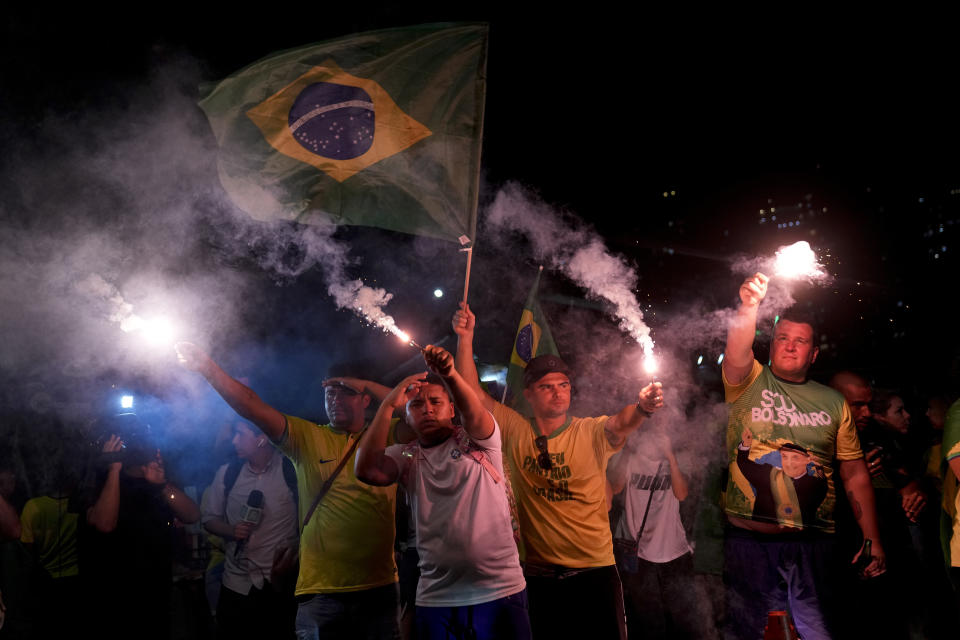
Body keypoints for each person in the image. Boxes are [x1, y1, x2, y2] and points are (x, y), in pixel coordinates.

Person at [452, 302, 663, 640]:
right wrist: (465, 338)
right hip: (539, 577)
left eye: (563, 385)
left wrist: (642, 408)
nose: (558, 392)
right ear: (529, 395)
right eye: (547, 386)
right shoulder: (516, 429)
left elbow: (621, 423)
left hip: (595, 573)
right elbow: (471, 395)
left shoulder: (590, 432)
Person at [176, 342, 402, 640]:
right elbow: (251, 405)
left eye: (346, 392)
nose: (335, 399)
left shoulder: (387, 434)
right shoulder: (307, 436)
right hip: (320, 591)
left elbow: (414, 411)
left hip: (378, 586)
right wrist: (208, 368)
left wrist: (367, 385)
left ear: (365, 399)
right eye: (329, 393)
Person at [721, 273, 884, 640]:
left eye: (800, 341)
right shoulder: (748, 381)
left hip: (814, 544)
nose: (790, 347)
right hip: (749, 542)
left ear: (813, 353)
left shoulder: (832, 401)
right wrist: (750, 306)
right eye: (782, 338)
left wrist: (872, 538)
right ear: (770, 346)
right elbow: (735, 352)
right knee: (745, 630)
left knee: (820, 630)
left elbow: (854, 473)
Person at [356, 345, 531, 640]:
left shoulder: (480, 441)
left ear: (452, 409)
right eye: (416, 405)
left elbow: (473, 409)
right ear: (407, 418)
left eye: (436, 401)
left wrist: (449, 374)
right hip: (437, 597)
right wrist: (387, 405)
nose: (427, 408)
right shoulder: (406, 457)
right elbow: (366, 470)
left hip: (500, 589)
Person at [82, 438, 201, 640]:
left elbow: (192, 515)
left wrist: (162, 486)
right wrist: (113, 470)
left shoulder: (158, 484)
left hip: (156, 591)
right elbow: (104, 524)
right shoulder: (99, 480)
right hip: (114, 593)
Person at [202, 420, 299, 639]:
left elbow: (307, 520)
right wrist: (230, 530)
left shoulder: (290, 471)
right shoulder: (227, 473)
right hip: (237, 583)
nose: (234, 441)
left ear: (261, 439)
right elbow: (209, 519)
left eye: (240, 434)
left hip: (279, 586)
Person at [608, 426, 704, 640]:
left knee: (682, 617)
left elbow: (681, 493)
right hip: (639, 552)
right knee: (647, 619)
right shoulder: (631, 458)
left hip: (673, 550)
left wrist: (670, 456)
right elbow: (615, 487)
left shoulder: (675, 461)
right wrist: (627, 451)